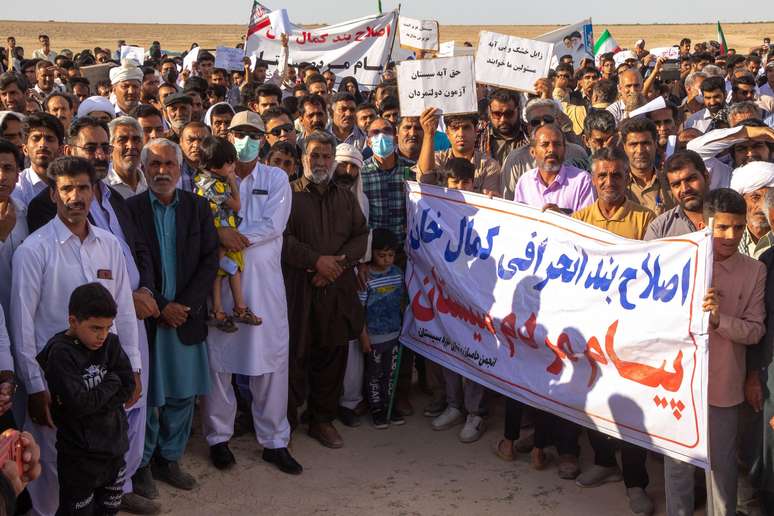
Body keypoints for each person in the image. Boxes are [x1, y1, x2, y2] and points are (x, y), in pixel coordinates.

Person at [10, 156, 141, 516]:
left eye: (83, 187)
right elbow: (22, 326)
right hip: (57, 385)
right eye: (66, 188)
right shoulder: (33, 251)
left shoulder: (110, 245)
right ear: (53, 194)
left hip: (104, 383)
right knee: (51, 475)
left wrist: (135, 369)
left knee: (101, 464)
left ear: (95, 191)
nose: (75, 196)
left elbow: (124, 314)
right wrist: (36, 388)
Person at [200, 114, 300, 477]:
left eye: (253, 135)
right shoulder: (207, 179)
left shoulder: (276, 178)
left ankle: (274, 441)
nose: (246, 140)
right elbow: (199, 218)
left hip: (264, 286)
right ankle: (218, 438)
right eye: (239, 134)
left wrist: (230, 236)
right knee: (218, 362)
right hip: (219, 284)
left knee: (270, 362)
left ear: (263, 140)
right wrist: (216, 235)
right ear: (227, 136)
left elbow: (275, 225)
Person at [658, 185, 766, 516]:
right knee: (677, 466)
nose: (730, 235)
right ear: (706, 225)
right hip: (678, 386)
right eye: (722, 227)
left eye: (737, 226)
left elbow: (756, 331)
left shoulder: (754, 271)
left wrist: (721, 320)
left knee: (722, 471)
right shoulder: (677, 261)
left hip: (724, 388)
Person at [126, 139, 218, 497]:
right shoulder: (130, 209)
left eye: (169, 164)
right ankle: (143, 463)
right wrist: (162, 305)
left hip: (186, 317)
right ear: (144, 169)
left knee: (181, 396)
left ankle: (170, 458)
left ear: (181, 170)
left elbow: (210, 258)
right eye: (155, 164)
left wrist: (185, 306)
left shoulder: (198, 207)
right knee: (149, 398)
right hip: (150, 317)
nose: (162, 171)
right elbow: (133, 261)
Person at [570, 147, 655, 515]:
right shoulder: (579, 219)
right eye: (602, 176)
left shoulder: (644, 219)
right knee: (592, 399)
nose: (609, 183)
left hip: (628, 332)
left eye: (616, 176)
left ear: (626, 178)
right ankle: (604, 461)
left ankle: (635, 483)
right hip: (589, 327)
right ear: (592, 179)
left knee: (629, 409)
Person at [283, 130, 368, 448]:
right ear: (303, 157)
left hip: (336, 289)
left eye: (326, 156)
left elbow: (361, 235)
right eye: (314, 155)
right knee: (295, 356)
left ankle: (322, 420)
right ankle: (286, 423)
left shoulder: (345, 196)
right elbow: (281, 239)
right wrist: (316, 261)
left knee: (332, 356)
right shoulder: (289, 194)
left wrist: (338, 264)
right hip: (300, 289)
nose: (320, 161)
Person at [37, 283, 135, 515]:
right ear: (73, 321)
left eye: (108, 327)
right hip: (79, 457)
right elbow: (79, 404)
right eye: (95, 328)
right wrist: (111, 382)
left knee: (109, 509)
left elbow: (128, 386)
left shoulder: (111, 342)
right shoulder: (60, 352)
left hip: (114, 448)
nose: (102, 335)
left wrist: (95, 401)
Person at [430, 158, 488, 442]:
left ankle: (475, 412)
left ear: (473, 183)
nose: (460, 188)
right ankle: (454, 405)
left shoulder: (487, 212)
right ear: (446, 184)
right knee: (449, 348)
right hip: (447, 293)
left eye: (465, 183)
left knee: (475, 351)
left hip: (477, 296)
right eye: (454, 183)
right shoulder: (436, 211)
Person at [194, 136, 262, 332]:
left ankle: (218, 311)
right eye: (229, 163)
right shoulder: (211, 185)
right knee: (231, 268)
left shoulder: (204, 179)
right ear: (215, 165)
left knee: (218, 272)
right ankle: (239, 308)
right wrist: (233, 183)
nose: (233, 166)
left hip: (217, 233)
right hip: (220, 235)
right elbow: (236, 205)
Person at [333, 143, 369, 428]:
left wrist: (357, 265)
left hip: (351, 274)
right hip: (319, 271)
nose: (346, 171)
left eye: (352, 166)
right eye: (342, 164)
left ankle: (350, 400)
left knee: (352, 339)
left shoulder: (362, 200)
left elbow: (361, 239)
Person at [358, 228, 405, 429]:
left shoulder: (398, 273)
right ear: (372, 253)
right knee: (374, 375)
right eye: (381, 255)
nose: (386, 260)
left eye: (391, 255)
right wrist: (364, 336)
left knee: (391, 373)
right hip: (374, 337)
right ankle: (377, 408)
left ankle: (390, 405)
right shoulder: (366, 278)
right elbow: (359, 309)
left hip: (395, 335)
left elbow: (402, 302)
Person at [416, 108, 501, 195]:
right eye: (455, 128)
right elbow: (425, 181)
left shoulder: (489, 166)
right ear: (447, 133)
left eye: (466, 128)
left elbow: (488, 200)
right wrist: (428, 134)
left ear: (475, 131)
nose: (461, 134)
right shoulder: (437, 159)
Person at [619, 117, 675, 215]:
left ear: (655, 144)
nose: (640, 151)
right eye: (634, 144)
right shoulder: (616, 185)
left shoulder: (671, 183)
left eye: (646, 143)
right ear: (624, 147)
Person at [14, 112, 63, 207]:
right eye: (36, 138)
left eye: (50, 139)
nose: (43, 144)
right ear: (25, 149)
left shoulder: (71, 184)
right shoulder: (17, 186)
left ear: (61, 150)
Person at [478, 89, 528, 165]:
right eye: (497, 114)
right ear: (489, 111)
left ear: (518, 110)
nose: (503, 120)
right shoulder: (477, 136)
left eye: (509, 114)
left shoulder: (530, 134)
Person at [106, 116, 148, 199]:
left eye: (136, 139)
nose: (131, 146)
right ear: (109, 148)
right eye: (122, 140)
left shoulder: (149, 182)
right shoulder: (103, 186)